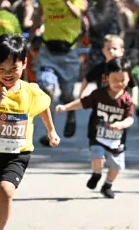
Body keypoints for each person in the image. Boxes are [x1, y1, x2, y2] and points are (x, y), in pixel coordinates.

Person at [0, 34, 60, 230]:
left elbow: (43, 107)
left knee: (5, 190)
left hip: (17, 153)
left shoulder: (31, 91)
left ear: (24, 63)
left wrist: (51, 131)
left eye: (13, 68)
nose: (7, 74)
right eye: (1, 69)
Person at [55, 58, 134, 199]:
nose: (119, 83)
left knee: (116, 167)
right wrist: (66, 107)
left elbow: (130, 118)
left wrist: (121, 125)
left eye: (123, 80)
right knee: (98, 156)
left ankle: (107, 185)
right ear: (106, 78)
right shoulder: (99, 94)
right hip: (97, 135)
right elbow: (82, 103)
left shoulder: (127, 100)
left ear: (129, 79)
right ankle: (97, 173)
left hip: (116, 139)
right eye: (115, 79)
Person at [31, 0, 85, 143]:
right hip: (48, 51)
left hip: (69, 52)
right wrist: (30, 38)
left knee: (68, 94)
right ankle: (51, 131)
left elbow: (78, 16)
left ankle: (71, 115)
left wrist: (66, 0)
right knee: (47, 89)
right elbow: (38, 17)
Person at [87, 0, 123, 68]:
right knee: (98, 72)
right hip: (97, 48)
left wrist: (119, 43)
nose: (103, 0)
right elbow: (96, 27)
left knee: (114, 72)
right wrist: (107, 16)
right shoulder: (91, 11)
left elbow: (121, 29)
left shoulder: (114, 11)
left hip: (113, 48)